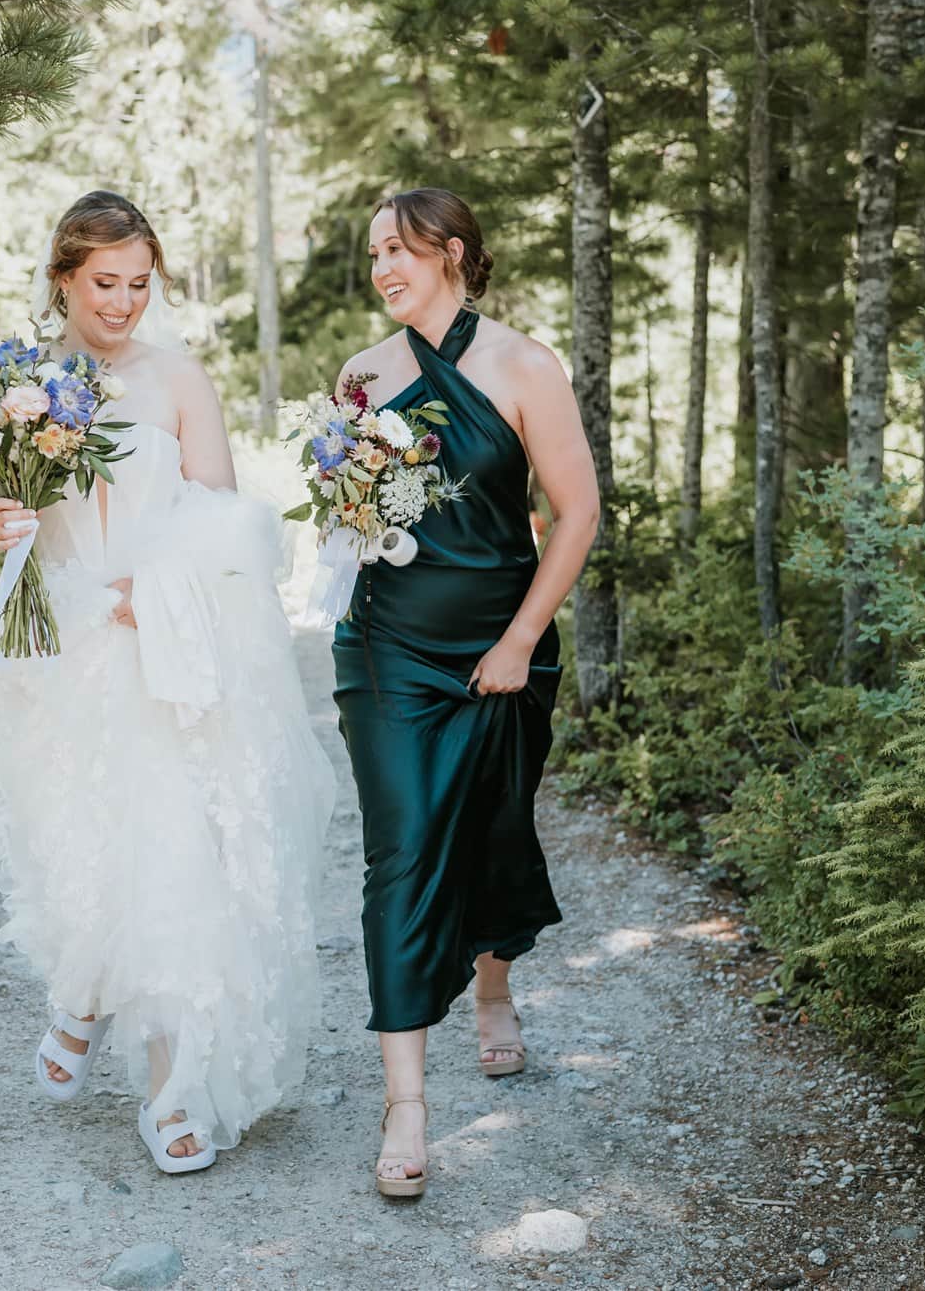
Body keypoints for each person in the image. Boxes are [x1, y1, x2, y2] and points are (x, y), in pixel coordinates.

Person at [0, 190, 333, 1174]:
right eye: (102, 284)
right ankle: (78, 994)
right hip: (59, 645)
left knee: (172, 854)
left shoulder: (177, 379)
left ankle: (170, 1087)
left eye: (137, 284)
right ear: (63, 280)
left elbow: (224, 513)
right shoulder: (15, 384)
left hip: (161, 643)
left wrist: (159, 581)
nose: (121, 303)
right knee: (86, 848)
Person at [332, 188, 600, 1197]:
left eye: (397, 251)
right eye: (372, 257)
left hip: (501, 646)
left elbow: (574, 515)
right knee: (398, 852)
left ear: (449, 252)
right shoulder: (361, 377)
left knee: (491, 829)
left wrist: (518, 639)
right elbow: (351, 521)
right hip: (386, 647)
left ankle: (492, 983)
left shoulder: (523, 366)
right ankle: (406, 1107)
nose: (382, 270)